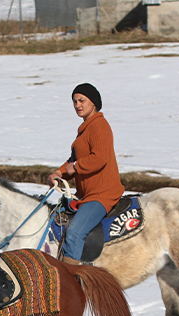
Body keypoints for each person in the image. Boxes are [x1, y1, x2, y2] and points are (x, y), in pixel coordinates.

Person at [48, 83, 125, 265]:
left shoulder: (99, 125)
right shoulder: (84, 130)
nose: (77, 105)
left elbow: (100, 158)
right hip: (87, 196)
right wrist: (59, 173)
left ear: (94, 103)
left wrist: (76, 166)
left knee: (74, 231)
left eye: (82, 100)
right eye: (74, 101)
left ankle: (70, 280)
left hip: (101, 195)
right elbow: (73, 160)